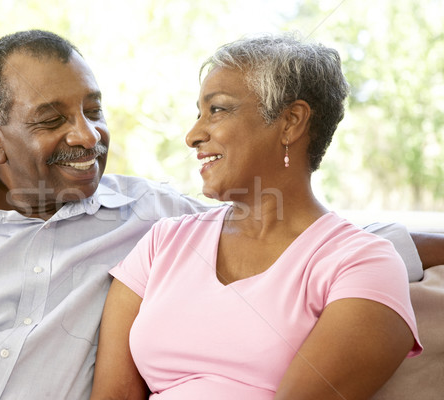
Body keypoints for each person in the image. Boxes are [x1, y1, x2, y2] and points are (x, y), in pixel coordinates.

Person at [0, 30, 433, 400]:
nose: (87, 135)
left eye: (95, 111)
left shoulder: (153, 217)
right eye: (52, 119)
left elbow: (319, 238)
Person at [90, 33, 424, 400]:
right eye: (198, 113)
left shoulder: (362, 263)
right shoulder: (163, 243)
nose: (193, 135)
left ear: (291, 122)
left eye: (216, 109)